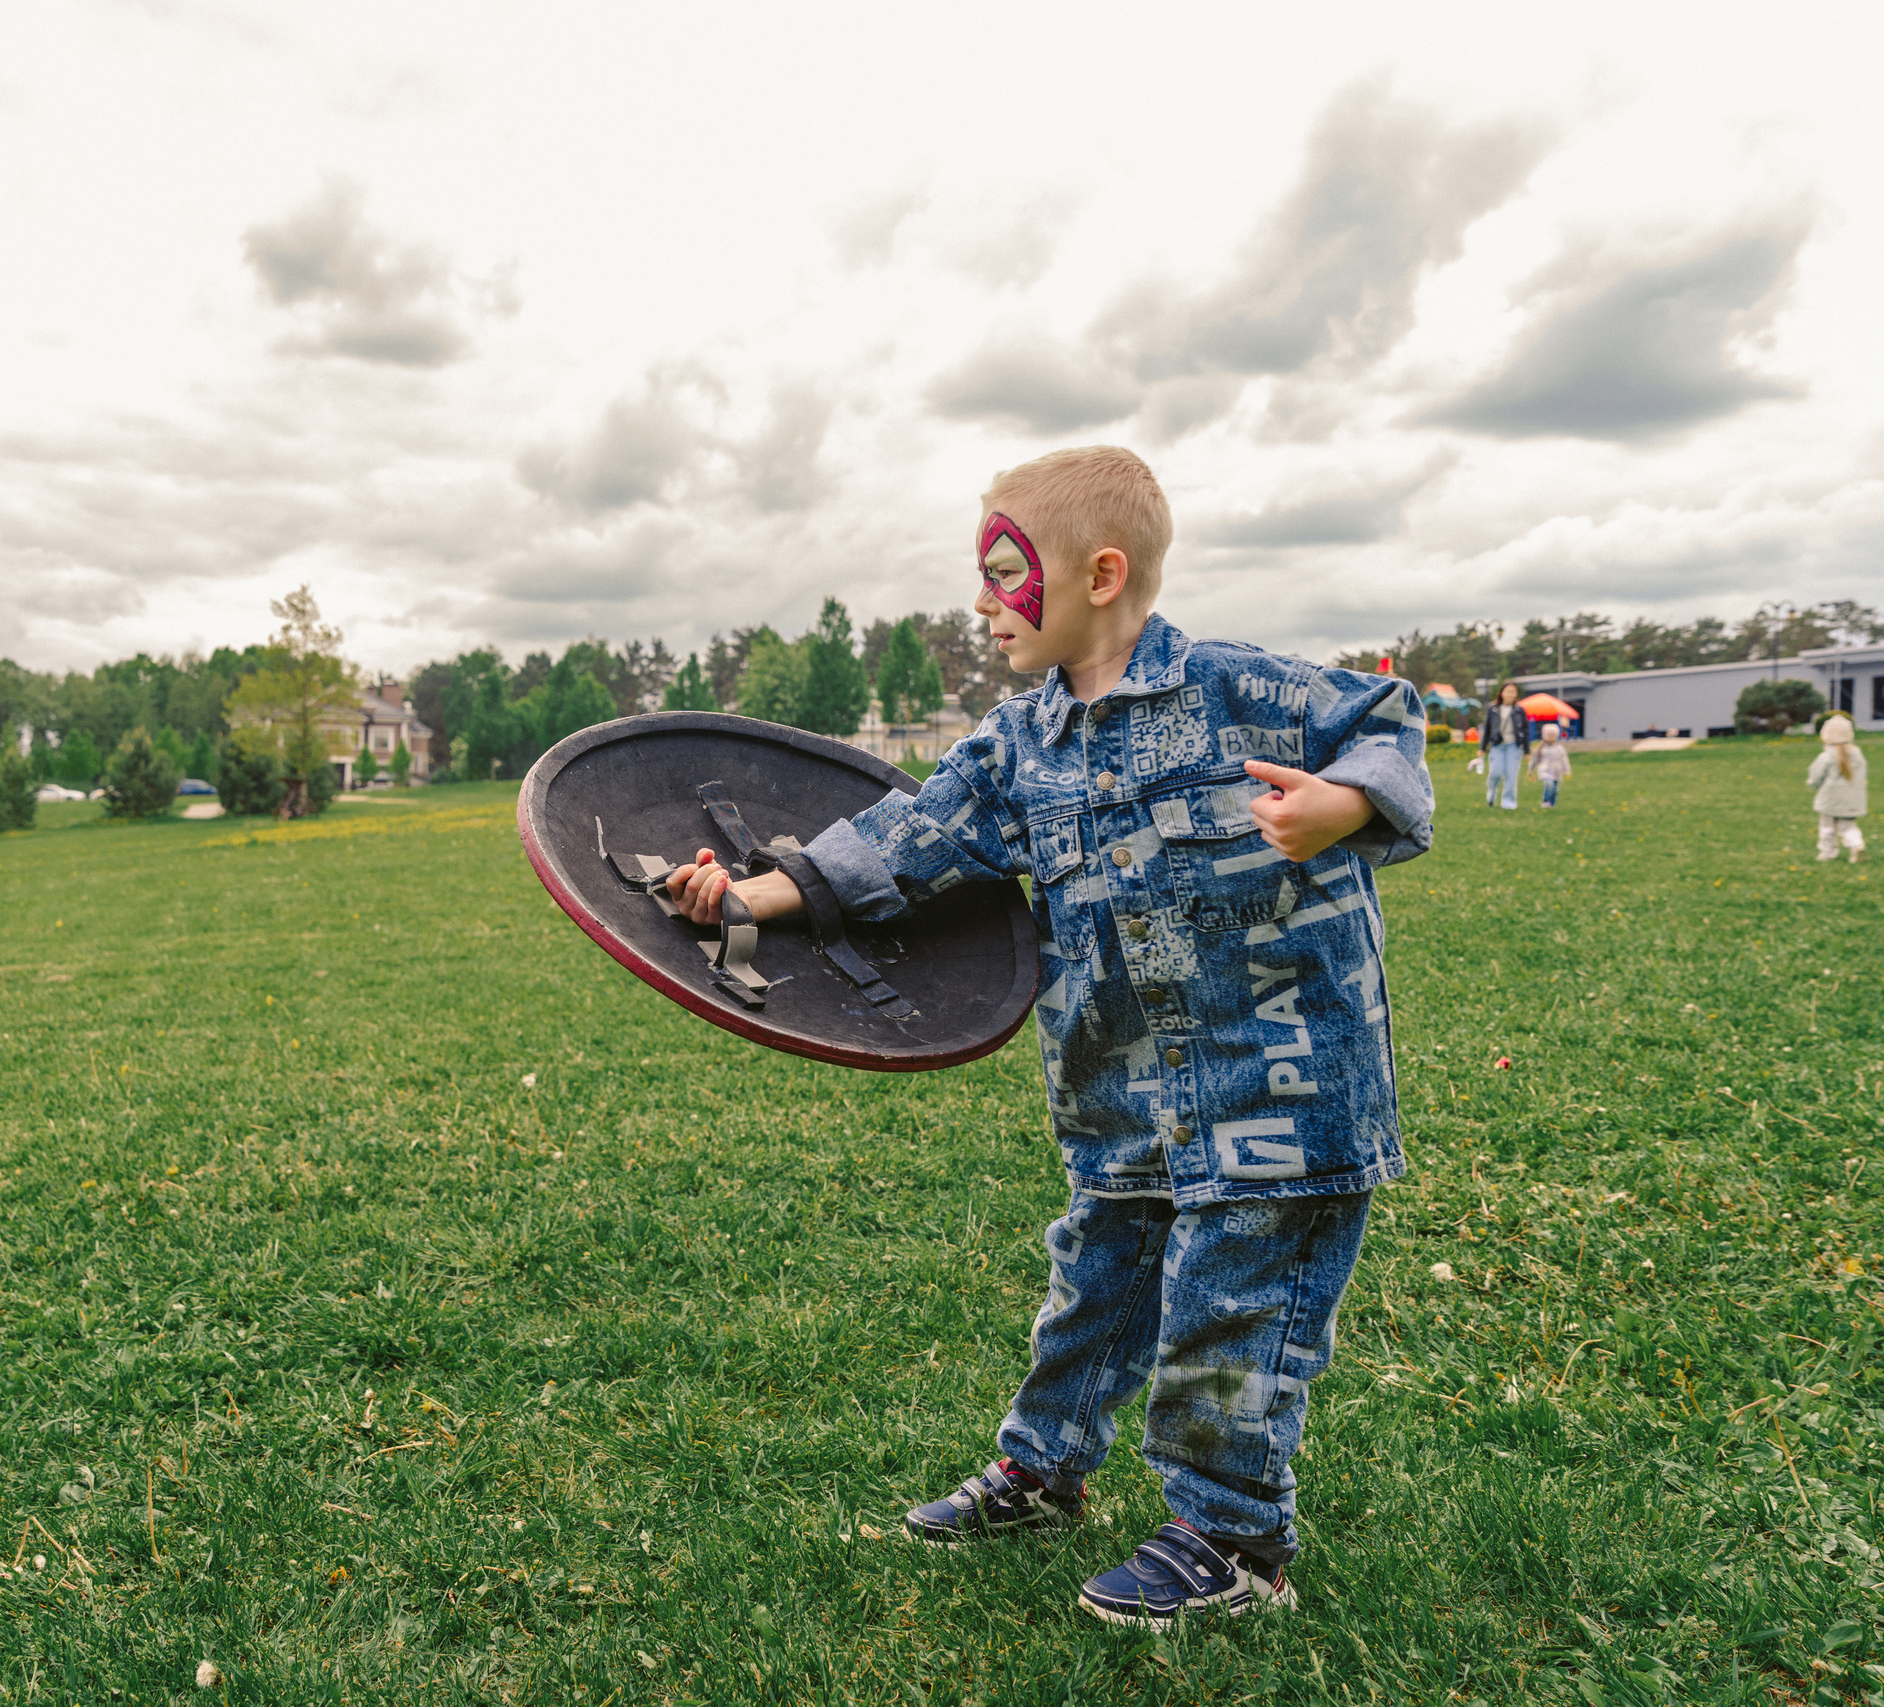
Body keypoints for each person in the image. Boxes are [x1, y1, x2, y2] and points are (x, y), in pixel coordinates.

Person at [667, 446, 1432, 1628]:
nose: (982, 603)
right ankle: (1044, 1469)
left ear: (1101, 572)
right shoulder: (1017, 743)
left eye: (1003, 572)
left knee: (1230, 1307)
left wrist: (1346, 801)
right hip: (1119, 1094)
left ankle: (1233, 1542)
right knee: (1097, 1289)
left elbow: (1386, 721)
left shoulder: (1241, 691)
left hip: (1279, 1088)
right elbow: (905, 844)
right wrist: (744, 897)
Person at [1809, 714, 1866, 862]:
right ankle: (1857, 845)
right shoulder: (1857, 755)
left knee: (1827, 827)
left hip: (1830, 800)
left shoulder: (1827, 756)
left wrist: (1813, 784)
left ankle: (1827, 853)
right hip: (1852, 800)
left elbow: (1816, 775)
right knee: (1848, 826)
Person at [1481, 681, 1529, 809]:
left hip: (1514, 745)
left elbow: (1526, 731)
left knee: (1511, 774)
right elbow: (1487, 729)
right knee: (1496, 772)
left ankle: (1508, 802)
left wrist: (1527, 751)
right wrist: (1482, 748)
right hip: (1497, 745)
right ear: (1502, 693)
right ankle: (1491, 791)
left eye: (1513, 691)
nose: (1510, 694)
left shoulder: (1520, 710)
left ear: (1516, 694)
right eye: (1507, 691)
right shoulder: (1493, 709)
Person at [1532, 723, 1571, 809]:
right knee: (1549, 784)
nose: (1551, 738)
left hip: (1557, 771)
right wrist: (1531, 770)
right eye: (1549, 736)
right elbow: (1535, 759)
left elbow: (1564, 759)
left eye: (1553, 736)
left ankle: (1552, 803)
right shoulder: (1541, 748)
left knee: (1555, 789)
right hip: (1545, 770)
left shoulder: (1559, 748)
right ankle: (1546, 801)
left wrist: (1567, 770)